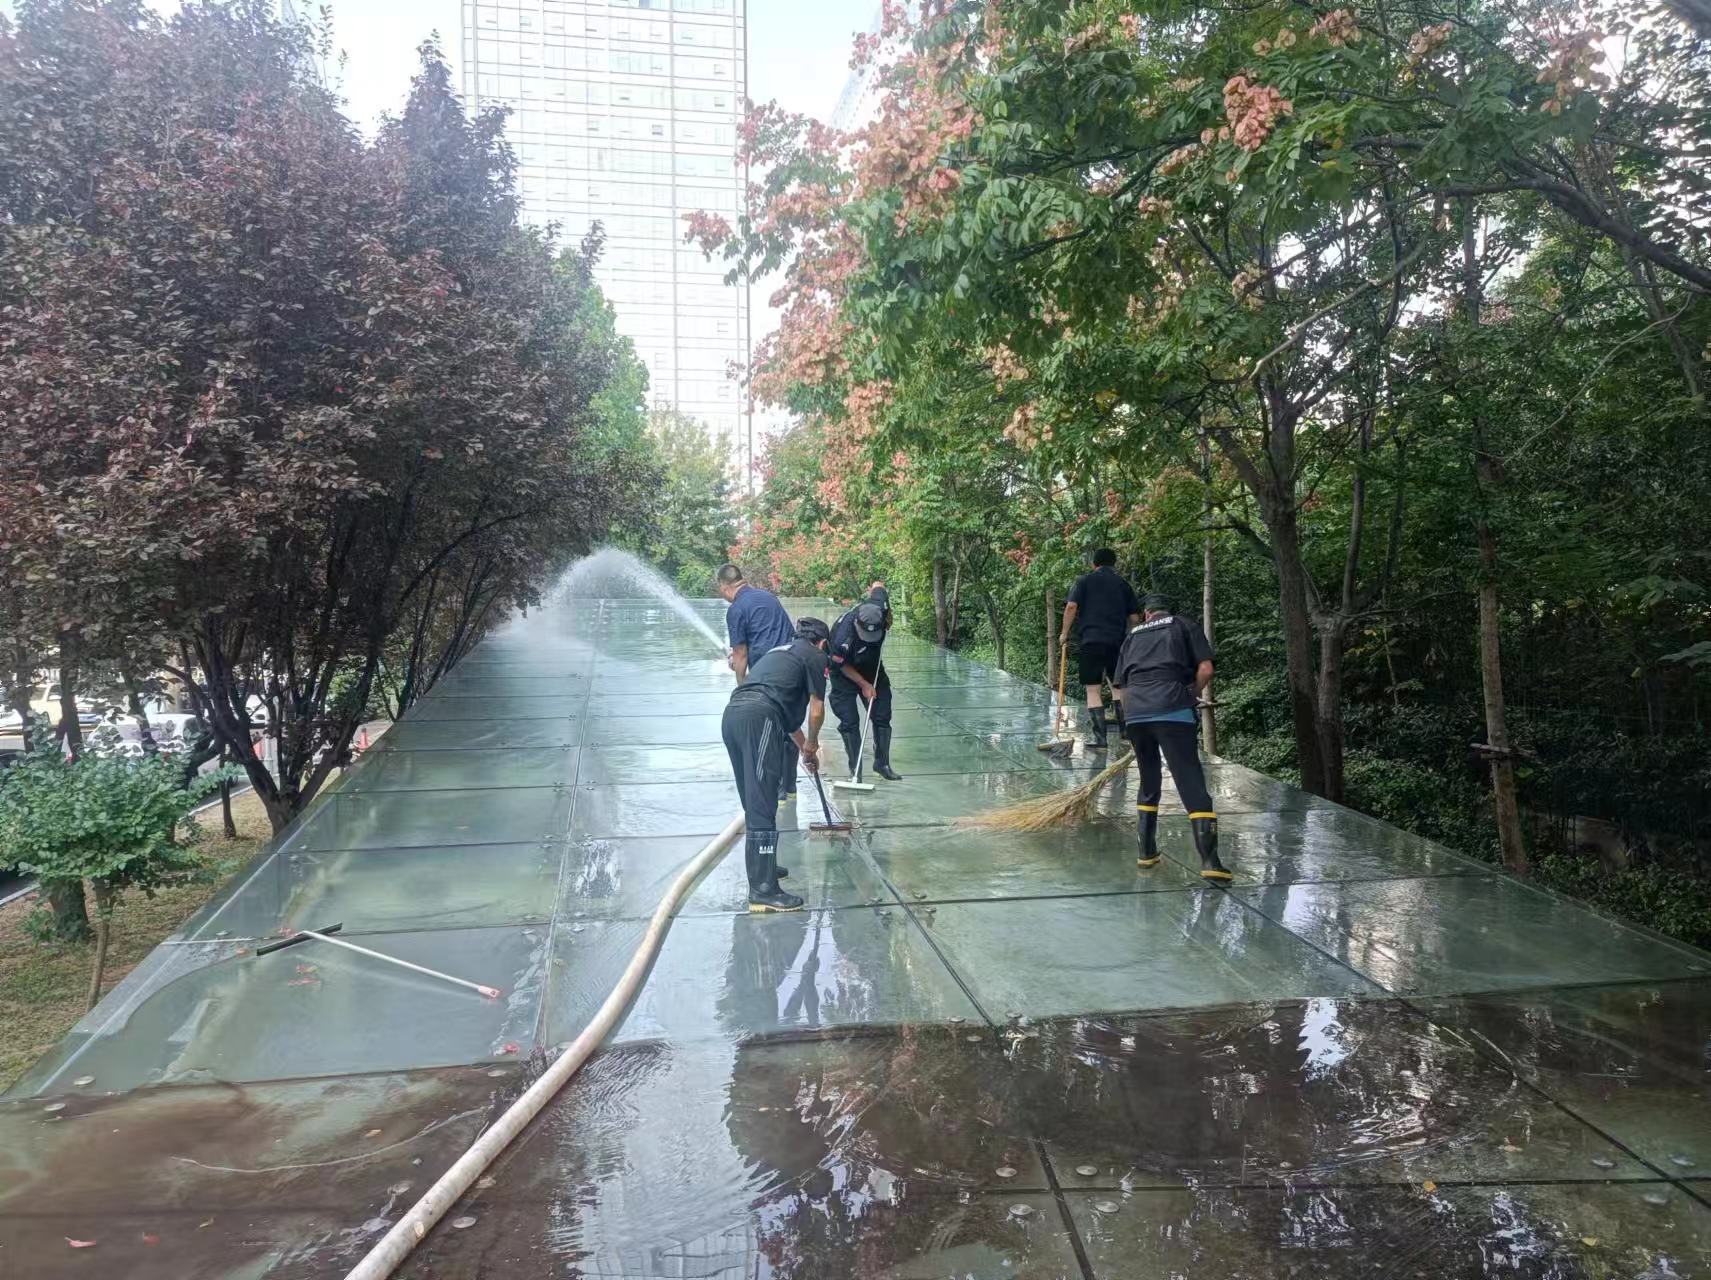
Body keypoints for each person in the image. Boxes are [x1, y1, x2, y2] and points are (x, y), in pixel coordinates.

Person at [1115, 593, 1229, 881]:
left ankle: (1146, 853)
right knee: (1190, 781)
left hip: (1135, 713)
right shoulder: (1182, 624)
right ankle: (1211, 861)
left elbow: (1122, 687)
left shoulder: (1131, 636)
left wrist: (1134, 717)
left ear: (1146, 614)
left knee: (1148, 780)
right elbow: (1206, 669)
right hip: (1172, 709)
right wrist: (1191, 693)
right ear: (1169, 611)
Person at [721, 617, 830, 912]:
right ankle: (763, 890)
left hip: (734, 714)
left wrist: (805, 749)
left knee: (754, 801)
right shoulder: (816, 655)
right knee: (763, 801)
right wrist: (813, 743)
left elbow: (790, 722)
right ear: (822, 643)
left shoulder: (780, 652)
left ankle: (765, 868)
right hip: (760, 716)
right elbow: (817, 709)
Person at [717, 563, 800, 800]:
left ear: (724, 586)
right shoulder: (767, 597)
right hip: (790, 668)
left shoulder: (736, 609)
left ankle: (777, 790)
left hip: (767, 677)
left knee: (771, 729)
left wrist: (743, 688)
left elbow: (741, 655)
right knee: (789, 723)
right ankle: (789, 787)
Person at [1060, 549, 1140, 750]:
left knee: (1093, 689)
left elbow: (1071, 607)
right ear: (1114, 564)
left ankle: (1100, 739)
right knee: (1118, 687)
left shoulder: (1084, 581)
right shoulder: (1123, 584)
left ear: (1094, 564)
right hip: (1117, 643)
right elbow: (1134, 617)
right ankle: (1126, 733)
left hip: (1091, 641)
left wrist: (1064, 633)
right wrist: (1131, 636)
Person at [827, 582, 901, 781]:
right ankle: (856, 769)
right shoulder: (842, 638)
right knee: (849, 719)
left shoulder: (879, 605)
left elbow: (878, 586)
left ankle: (882, 764)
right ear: (857, 624)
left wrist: (889, 616)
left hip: (872, 667)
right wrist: (864, 684)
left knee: (882, 712)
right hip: (844, 673)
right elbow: (841, 665)